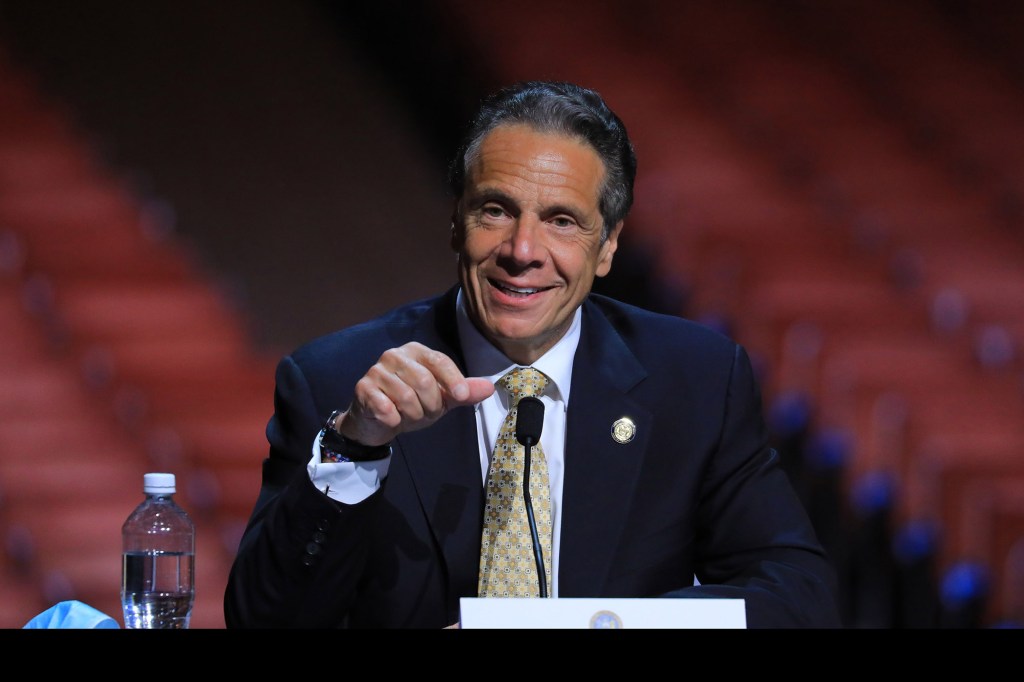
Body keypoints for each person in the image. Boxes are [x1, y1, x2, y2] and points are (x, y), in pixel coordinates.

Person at [223, 80, 842, 629]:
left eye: (562, 221)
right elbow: (265, 618)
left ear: (607, 248)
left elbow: (797, 594)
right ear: (456, 222)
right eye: (496, 210)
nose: (523, 249)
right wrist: (357, 447)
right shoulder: (338, 381)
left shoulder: (698, 380)